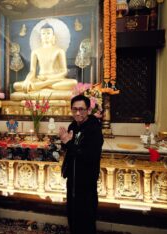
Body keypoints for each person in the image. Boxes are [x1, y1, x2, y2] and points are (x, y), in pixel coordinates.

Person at [59, 94, 104, 234]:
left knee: (86, 218)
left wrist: (69, 143)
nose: (78, 113)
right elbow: (70, 149)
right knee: (72, 215)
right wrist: (64, 143)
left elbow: (90, 155)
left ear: (88, 110)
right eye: (74, 109)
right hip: (72, 179)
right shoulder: (73, 125)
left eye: (81, 109)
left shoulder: (94, 128)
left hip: (86, 180)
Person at [13, 25, 77, 93]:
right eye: (43, 33)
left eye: (48, 33)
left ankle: (40, 86)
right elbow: (32, 71)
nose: (46, 36)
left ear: (53, 36)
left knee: (74, 82)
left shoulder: (59, 51)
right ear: (40, 36)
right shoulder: (35, 51)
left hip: (54, 79)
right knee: (16, 85)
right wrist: (27, 80)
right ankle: (46, 85)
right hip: (41, 79)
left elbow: (64, 71)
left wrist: (49, 78)